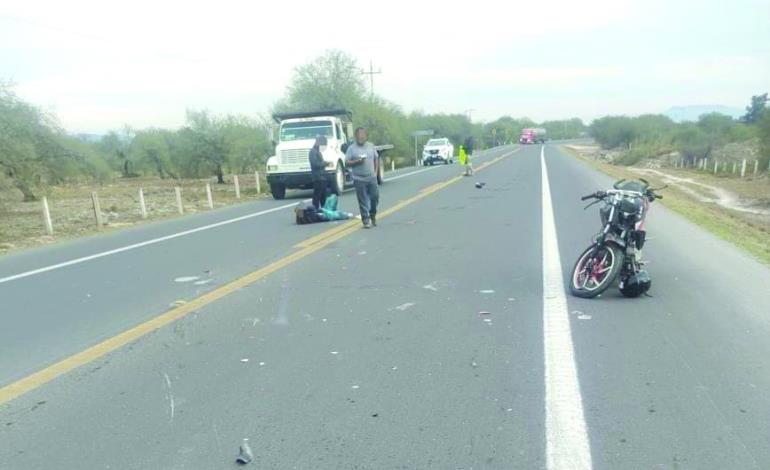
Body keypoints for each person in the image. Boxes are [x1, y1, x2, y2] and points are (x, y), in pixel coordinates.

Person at [345, 127, 379, 228]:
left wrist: (375, 172)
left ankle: (372, 214)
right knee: (363, 201)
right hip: (359, 178)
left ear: (366, 136)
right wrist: (356, 162)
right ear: (356, 136)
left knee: (374, 198)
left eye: (363, 134)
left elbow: (376, 158)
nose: (361, 136)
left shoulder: (371, 146)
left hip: (371, 177)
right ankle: (366, 220)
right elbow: (346, 162)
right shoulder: (351, 148)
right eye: (359, 135)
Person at [309, 135, 328, 209]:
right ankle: (315, 209)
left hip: (322, 176)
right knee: (317, 195)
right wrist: (324, 163)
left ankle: (323, 209)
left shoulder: (318, 152)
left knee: (323, 195)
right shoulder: (312, 152)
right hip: (317, 177)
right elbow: (315, 164)